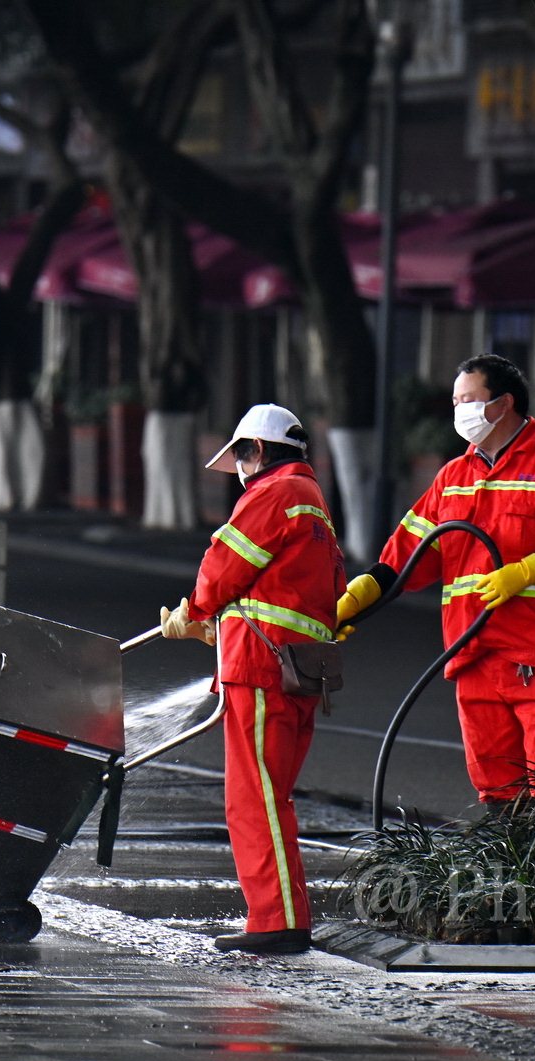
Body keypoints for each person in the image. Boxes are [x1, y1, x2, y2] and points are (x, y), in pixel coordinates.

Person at [336, 354, 535, 802]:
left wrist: (524, 572)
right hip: (473, 655)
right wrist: (352, 600)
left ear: (503, 404)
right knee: (496, 788)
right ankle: (511, 870)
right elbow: (404, 558)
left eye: (469, 400)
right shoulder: (452, 478)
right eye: (454, 401)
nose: (459, 411)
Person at [159, 403, 346, 954]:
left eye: (240, 457)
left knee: (255, 800)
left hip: (263, 673)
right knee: (271, 797)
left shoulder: (276, 493)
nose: (239, 471)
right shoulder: (312, 503)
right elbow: (290, 593)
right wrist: (218, 627)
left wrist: (193, 610)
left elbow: (225, 564)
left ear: (256, 451)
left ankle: (277, 923)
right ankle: (281, 917)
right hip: (292, 671)